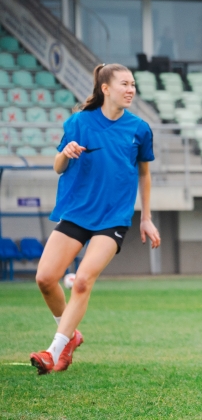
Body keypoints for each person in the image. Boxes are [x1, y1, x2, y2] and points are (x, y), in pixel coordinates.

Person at [30, 64, 160, 374]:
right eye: (124, 84)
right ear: (105, 88)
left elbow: (144, 173)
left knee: (83, 280)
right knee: (45, 279)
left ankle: (53, 351)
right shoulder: (79, 122)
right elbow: (58, 167)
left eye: (133, 84)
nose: (130, 89)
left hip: (113, 218)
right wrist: (66, 152)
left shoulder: (140, 129)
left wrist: (146, 217)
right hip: (77, 212)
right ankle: (70, 336)